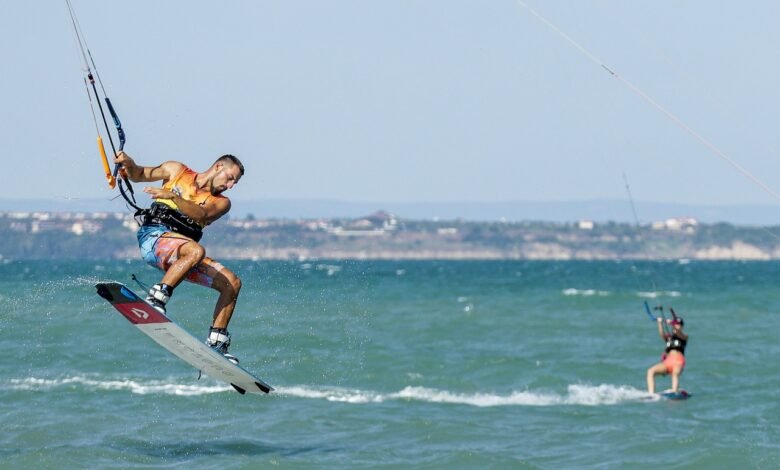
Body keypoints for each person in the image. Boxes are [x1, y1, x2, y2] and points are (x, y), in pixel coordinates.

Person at [114, 150, 245, 364]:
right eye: (230, 178)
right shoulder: (177, 170)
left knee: (232, 283)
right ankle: (156, 299)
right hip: (154, 238)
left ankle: (217, 343)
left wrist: (173, 197)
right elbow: (138, 174)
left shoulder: (222, 202)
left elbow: (202, 215)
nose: (230, 185)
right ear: (219, 167)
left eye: (234, 183)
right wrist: (128, 163)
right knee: (195, 251)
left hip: (184, 255)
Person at [646, 316, 688, 394]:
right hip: (668, 362)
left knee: (675, 373)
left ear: (682, 326)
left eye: (679, 324)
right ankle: (651, 394)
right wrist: (660, 323)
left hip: (678, 361)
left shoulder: (684, 337)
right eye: (676, 324)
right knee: (650, 371)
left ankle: (675, 391)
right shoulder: (669, 338)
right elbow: (661, 334)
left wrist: (672, 324)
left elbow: (678, 332)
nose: (677, 326)